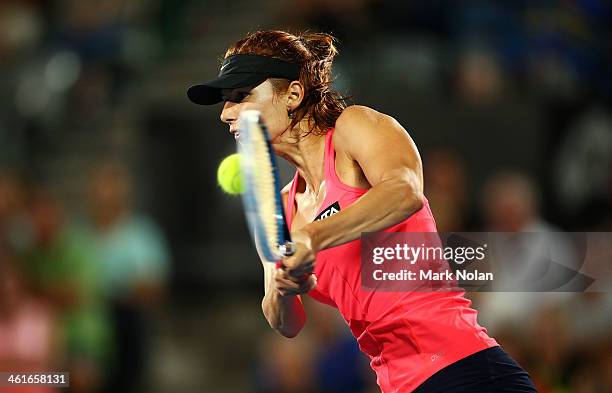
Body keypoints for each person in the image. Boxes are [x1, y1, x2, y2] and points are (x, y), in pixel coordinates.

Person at [187, 30, 537, 392]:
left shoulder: (353, 128)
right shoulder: (285, 208)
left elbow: (405, 192)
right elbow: (287, 323)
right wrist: (283, 289)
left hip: (463, 370)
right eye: (226, 101)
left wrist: (314, 236)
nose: (226, 113)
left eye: (240, 96)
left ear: (292, 94)